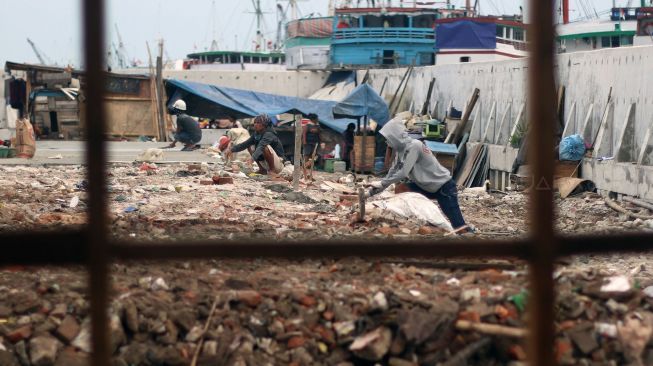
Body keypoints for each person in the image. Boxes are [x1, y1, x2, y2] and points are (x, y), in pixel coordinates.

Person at [367, 118, 471, 233]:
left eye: (388, 138)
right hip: (426, 187)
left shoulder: (414, 146)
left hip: (443, 188)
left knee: (458, 226)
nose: (387, 142)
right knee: (401, 188)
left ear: (395, 136)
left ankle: (472, 240)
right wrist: (372, 192)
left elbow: (403, 172)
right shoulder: (401, 151)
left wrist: (381, 183)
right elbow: (393, 171)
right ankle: (408, 220)